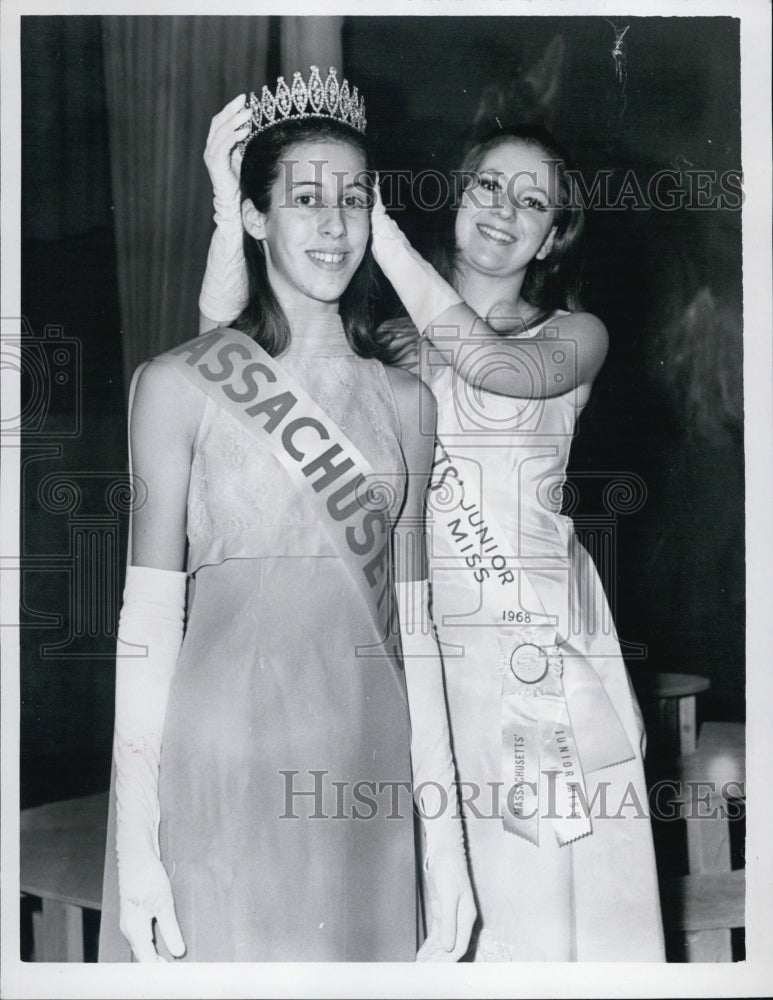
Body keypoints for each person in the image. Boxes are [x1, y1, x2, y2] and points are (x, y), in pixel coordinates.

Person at [197, 112, 665, 962]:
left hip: (533, 650)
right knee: (432, 904)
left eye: (533, 202)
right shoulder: (374, 335)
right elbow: (234, 347)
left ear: (554, 235)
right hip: (412, 641)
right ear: (457, 194)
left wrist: (379, 237)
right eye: (489, 185)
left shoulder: (573, 336)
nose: (503, 210)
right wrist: (236, 212)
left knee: (547, 911)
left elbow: (489, 365)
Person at [99, 66, 475, 963]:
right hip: (221, 752)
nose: (333, 223)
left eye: (352, 199)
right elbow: (147, 625)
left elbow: (416, 640)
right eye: (305, 198)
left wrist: (447, 849)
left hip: (364, 763)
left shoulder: (409, 403)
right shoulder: (176, 384)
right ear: (255, 215)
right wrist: (135, 842)